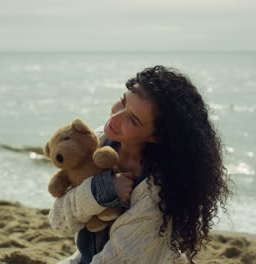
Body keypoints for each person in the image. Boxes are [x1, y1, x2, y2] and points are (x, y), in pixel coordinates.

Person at [48, 65, 234, 264]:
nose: (114, 118)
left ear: (156, 136)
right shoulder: (99, 141)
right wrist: (101, 190)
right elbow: (58, 222)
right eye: (123, 101)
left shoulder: (157, 191)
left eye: (133, 120)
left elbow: (115, 259)